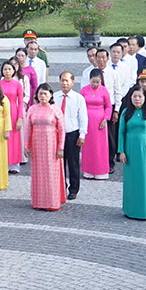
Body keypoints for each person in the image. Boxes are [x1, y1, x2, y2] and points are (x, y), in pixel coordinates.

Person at [118, 87, 146, 220]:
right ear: (130, 98)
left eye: (140, 96)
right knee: (131, 181)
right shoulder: (125, 113)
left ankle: (145, 210)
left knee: (145, 181)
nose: (137, 99)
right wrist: (121, 151)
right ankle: (130, 209)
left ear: (145, 98)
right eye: (135, 96)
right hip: (130, 150)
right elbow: (121, 133)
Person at [24, 84, 65, 211]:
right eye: (40, 93)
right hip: (37, 145)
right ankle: (38, 202)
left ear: (51, 95)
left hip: (51, 145)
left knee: (51, 173)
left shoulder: (55, 109)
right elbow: (27, 129)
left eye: (45, 94)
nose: (42, 96)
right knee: (38, 173)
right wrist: (26, 146)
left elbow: (62, 129)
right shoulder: (32, 109)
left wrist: (60, 147)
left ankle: (52, 202)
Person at [54, 72, 87, 200]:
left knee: (73, 164)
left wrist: (82, 134)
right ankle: (61, 186)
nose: (64, 83)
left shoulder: (78, 98)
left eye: (67, 81)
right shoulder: (55, 97)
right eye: (62, 80)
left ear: (73, 82)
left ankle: (73, 189)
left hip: (72, 133)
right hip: (57, 134)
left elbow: (83, 117)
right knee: (59, 163)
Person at [80, 69, 112, 180]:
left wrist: (106, 118)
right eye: (93, 82)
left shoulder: (104, 91)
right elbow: (80, 105)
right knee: (88, 146)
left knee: (100, 147)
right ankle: (88, 170)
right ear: (89, 80)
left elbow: (108, 106)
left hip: (100, 122)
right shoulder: (84, 90)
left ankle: (101, 171)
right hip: (87, 120)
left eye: (97, 82)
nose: (95, 84)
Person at [96, 48, 123, 174]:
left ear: (107, 58)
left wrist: (116, 110)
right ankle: (97, 161)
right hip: (95, 109)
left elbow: (118, 93)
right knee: (97, 137)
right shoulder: (89, 73)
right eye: (98, 57)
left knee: (111, 137)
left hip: (110, 107)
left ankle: (110, 161)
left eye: (103, 57)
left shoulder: (113, 73)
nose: (101, 60)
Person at [0, 62, 24, 174]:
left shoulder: (18, 84)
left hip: (13, 111)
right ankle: (3, 163)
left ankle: (14, 164)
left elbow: (21, 102)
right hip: (2, 112)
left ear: (14, 71)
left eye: (9, 69)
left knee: (14, 139)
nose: (7, 71)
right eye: (5, 69)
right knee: (3, 138)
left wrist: (20, 118)